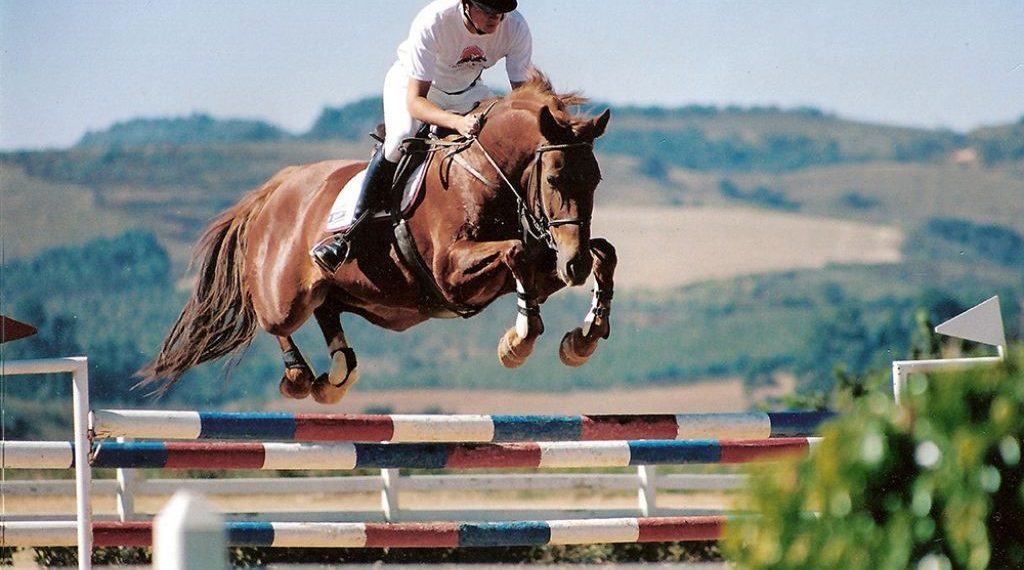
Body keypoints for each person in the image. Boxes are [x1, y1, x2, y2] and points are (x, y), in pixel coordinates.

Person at [311, 0, 533, 273]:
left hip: (467, 91)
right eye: (487, 11)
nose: (495, 19)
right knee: (401, 138)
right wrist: (456, 122)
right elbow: (416, 101)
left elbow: (524, 97)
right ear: (466, 4)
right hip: (413, 88)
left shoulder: (516, 26)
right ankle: (350, 235)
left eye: (500, 12)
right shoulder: (434, 20)